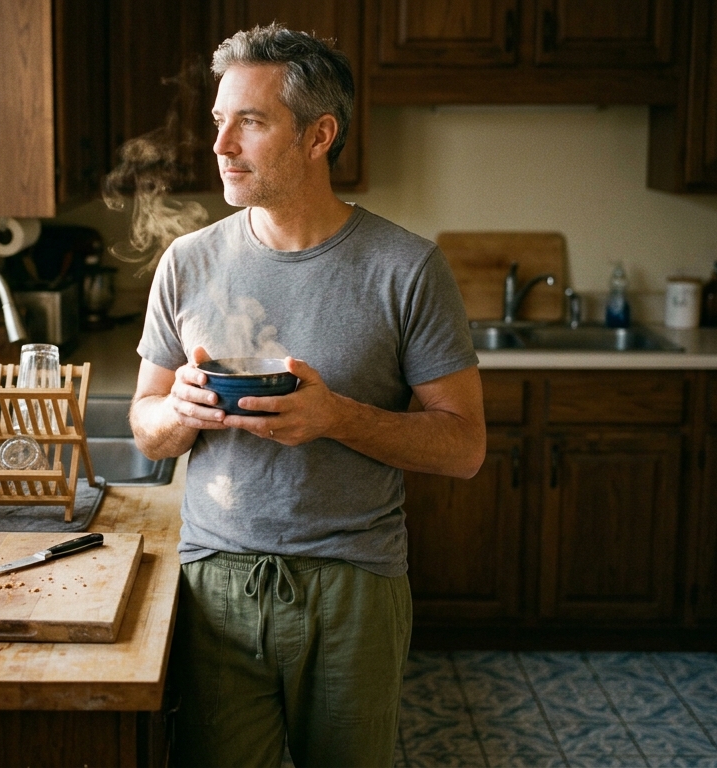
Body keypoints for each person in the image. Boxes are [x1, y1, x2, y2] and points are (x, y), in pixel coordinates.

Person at [129, 23, 486, 768]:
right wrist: (179, 414)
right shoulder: (187, 262)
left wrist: (336, 417)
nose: (222, 145)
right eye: (219, 121)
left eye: (250, 123)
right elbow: (145, 425)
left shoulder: (406, 268)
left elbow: (464, 447)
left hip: (354, 585)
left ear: (319, 134)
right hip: (216, 581)